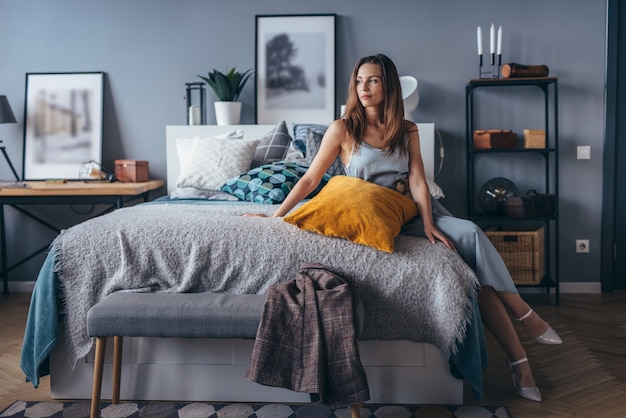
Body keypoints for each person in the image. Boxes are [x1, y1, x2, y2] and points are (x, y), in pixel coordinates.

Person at [255, 53, 562, 402]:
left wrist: (429, 224)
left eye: (372, 80)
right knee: (476, 265)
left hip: (413, 213)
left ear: (389, 86)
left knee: (470, 237)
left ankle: (521, 357)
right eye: (359, 80)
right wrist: (277, 215)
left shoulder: (408, 129)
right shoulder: (342, 129)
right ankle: (525, 330)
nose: (364, 88)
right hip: (375, 217)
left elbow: (418, 180)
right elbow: (311, 177)